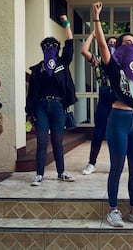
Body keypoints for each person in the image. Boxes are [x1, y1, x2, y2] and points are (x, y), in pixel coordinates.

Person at [93, 1, 133, 227]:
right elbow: (101, 45)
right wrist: (96, 18)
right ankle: (113, 209)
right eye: (126, 42)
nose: (131, 45)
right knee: (117, 167)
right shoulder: (114, 67)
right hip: (117, 119)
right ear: (119, 49)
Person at [26, 14, 77, 186]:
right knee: (41, 142)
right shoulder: (36, 69)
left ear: (57, 48)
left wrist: (66, 24)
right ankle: (39, 174)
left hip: (58, 106)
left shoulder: (62, 63)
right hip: (41, 106)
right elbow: (31, 92)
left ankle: (61, 172)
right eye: (47, 46)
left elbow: (70, 46)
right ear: (42, 48)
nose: (50, 48)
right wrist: (30, 112)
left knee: (57, 141)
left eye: (53, 45)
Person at [80, 32, 116, 175]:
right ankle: (91, 163)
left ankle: (116, 163)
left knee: (116, 133)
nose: (112, 45)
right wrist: (92, 35)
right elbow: (84, 51)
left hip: (118, 99)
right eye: (109, 43)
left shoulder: (120, 60)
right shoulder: (98, 60)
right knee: (98, 132)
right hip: (104, 98)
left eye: (114, 43)